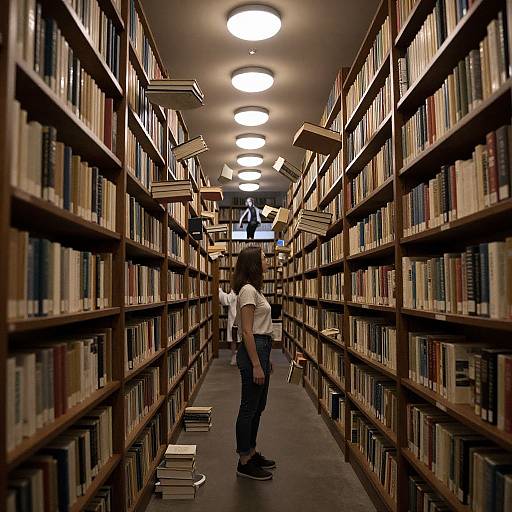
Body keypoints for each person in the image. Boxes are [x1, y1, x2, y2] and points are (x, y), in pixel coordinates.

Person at [233, 246, 275, 480]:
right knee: (248, 407)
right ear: (254, 264)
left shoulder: (254, 290)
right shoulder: (248, 291)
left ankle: (251, 451)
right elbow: (247, 331)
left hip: (262, 347)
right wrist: (257, 363)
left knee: (258, 406)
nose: (267, 260)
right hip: (254, 348)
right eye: (263, 257)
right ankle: (243, 461)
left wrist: (265, 359)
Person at [218, 286, 239, 365]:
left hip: (235, 317)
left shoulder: (236, 290)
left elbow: (226, 300)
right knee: (240, 338)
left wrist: (219, 291)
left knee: (234, 338)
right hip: (242, 317)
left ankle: (234, 357)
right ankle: (240, 357)